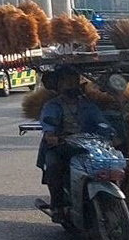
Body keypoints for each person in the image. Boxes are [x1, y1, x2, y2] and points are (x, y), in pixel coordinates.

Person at [37, 69, 117, 211]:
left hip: (87, 146)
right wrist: (51, 135)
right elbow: (48, 123)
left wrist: (110, 133)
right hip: (61, 148)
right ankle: (58, 207)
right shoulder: (52, 106)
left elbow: (100, 121)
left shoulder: (87, 105)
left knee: (111, 164)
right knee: (54, 168)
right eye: (67, 82)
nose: (71, 85)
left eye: (74, 81)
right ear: (59, 85)